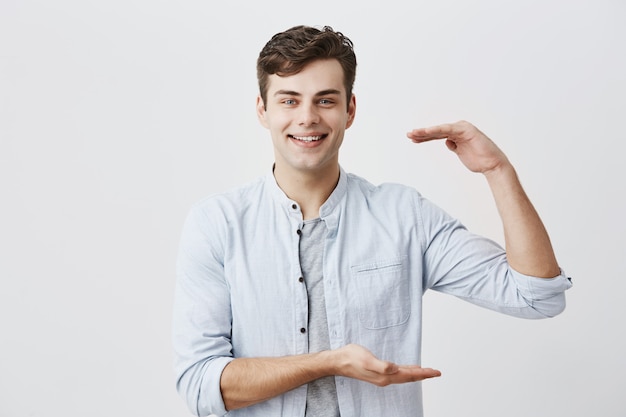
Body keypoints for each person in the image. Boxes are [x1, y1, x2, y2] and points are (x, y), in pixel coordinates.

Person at [172, 25, 572, 417]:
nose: (307, 117)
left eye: (325, 101)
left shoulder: (403, 216)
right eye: (289, 101)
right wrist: (328, 363)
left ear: (350, 110)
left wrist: (497, 170)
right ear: (263, 110)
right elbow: (201, 385)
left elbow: (536, 296)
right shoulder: (217, 224)